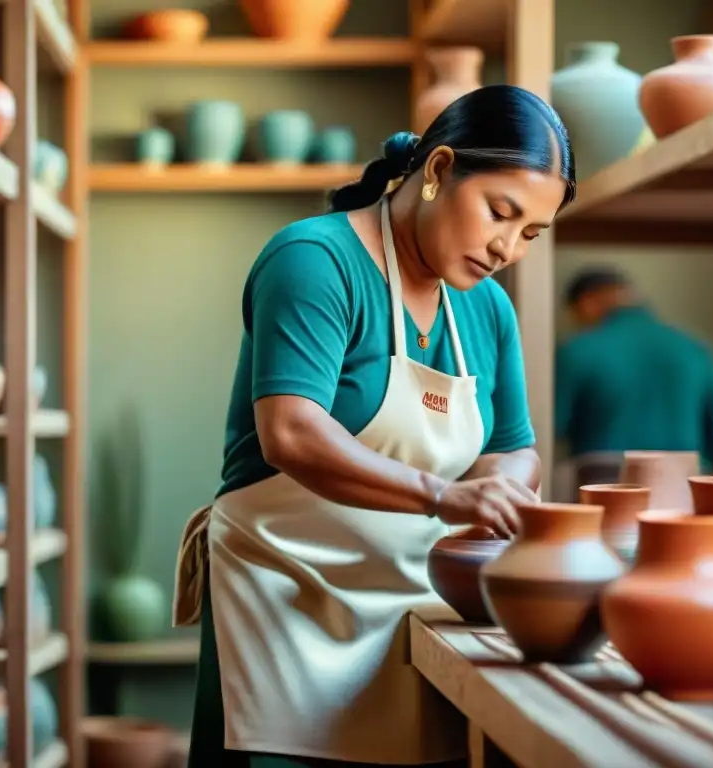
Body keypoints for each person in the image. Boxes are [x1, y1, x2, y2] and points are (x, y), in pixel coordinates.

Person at [173, 84, 577, 768]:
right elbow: (292, 433)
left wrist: (502, 489)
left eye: (530, 233)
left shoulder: (487, 312)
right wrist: (446, 496)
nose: (508, 247)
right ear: (440, 170)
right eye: (500, 214)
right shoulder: (314, 260)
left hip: (417, 610)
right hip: (285, 606)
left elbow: (513, 450)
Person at [555, 267, 713, 471]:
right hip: (684, 479)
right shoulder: (695, 350)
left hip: (604, 480)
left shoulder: (577, 351)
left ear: (587, 303)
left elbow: (552, 423)